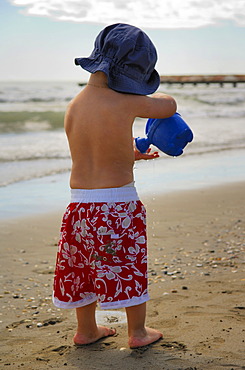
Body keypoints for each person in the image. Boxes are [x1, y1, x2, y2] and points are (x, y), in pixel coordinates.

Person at [53, 23, 177, 348]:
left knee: (82, 267)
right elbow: (168, 106)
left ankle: (86, 330)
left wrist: (129, 155)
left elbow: (94, 153)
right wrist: (150, 95)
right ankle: (138, 333)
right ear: (132, 75)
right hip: (118, 206)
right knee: (127, 265)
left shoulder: (74, 106)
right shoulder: (126, 103)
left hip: (79, 205)